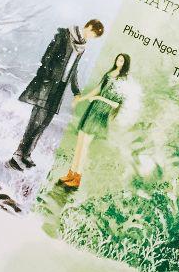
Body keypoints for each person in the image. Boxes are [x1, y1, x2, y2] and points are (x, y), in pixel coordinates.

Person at [7, 19, 104, 171]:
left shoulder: (82, 47)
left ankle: (27, 154)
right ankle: (17, 155)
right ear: (89, 26)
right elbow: (48, 57)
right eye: (93, 33)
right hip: (48, 84)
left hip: (59, 89)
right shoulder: (65, 35)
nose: (92, 37)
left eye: (95, 36)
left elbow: (74, 69)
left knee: (44, 122)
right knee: (36, 120)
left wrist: (76, 91)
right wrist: (46, 77)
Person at [59, 53, 130, 189]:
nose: (118, 61)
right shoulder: (109, 74)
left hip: (101, 113)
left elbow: (116, 104)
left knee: (85, 145)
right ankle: (71, 173)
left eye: (121, 60)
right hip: (92, 110)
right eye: (117, 59)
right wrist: (81, 99)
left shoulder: (123, 80)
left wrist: (99, 98)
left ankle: (77, 178)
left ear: (125, 63)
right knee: (79, 143)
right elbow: (97, 89)